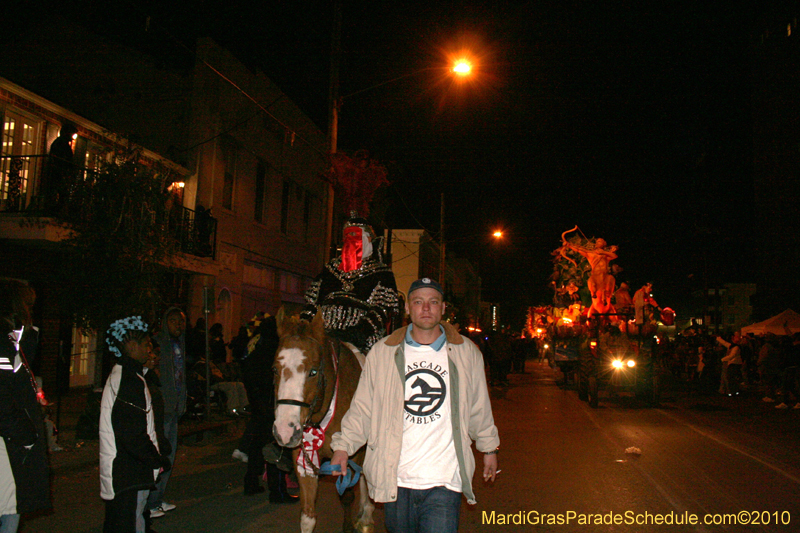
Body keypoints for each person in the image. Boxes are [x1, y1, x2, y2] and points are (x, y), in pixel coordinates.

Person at [330, 277, 499, 533]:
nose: (426, 308)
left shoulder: (466, 353)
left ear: (443, 309)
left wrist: (489, 448)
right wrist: (343, 447)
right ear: (408, 308)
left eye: (433, 302)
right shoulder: (383, 352)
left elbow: (479, 406)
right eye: (418, 302)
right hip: (395, 477)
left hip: (445, 478)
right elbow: (364, 407)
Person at [99, 316, 171, 533]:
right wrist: (156, 460)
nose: (150, 350)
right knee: (129, 524)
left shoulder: (126, 374)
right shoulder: (129, 380)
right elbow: (131, 432)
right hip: (128, 472)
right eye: (146, 344)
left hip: (126, 470)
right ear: (131, 346)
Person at [301, 211, 400, 356]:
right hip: (323, 336)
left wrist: (357, 334)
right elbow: (312, 304)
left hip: (363, 340)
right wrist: (304, 326)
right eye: (347, 236)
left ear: (367, 239)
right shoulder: (330, 270)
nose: (350, 241)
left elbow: (382, 310)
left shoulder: (381, 273)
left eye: (355, 236)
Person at [0, 281, 50, 533]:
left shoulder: (9, 343)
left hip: (11, 445)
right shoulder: (1, 346)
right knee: (10, 512)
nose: (31, 311)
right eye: (28, 305)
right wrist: (26, 436)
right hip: (7, 448)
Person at [147, 308, 186, 519]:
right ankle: (151, 501)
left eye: (180, 322)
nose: (177, 326)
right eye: (173, 321)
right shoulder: (157, 343)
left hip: (175, 406)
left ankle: (158, 498)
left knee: (169, 455)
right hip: (161, 407)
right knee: (159, 454)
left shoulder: (179, 344)